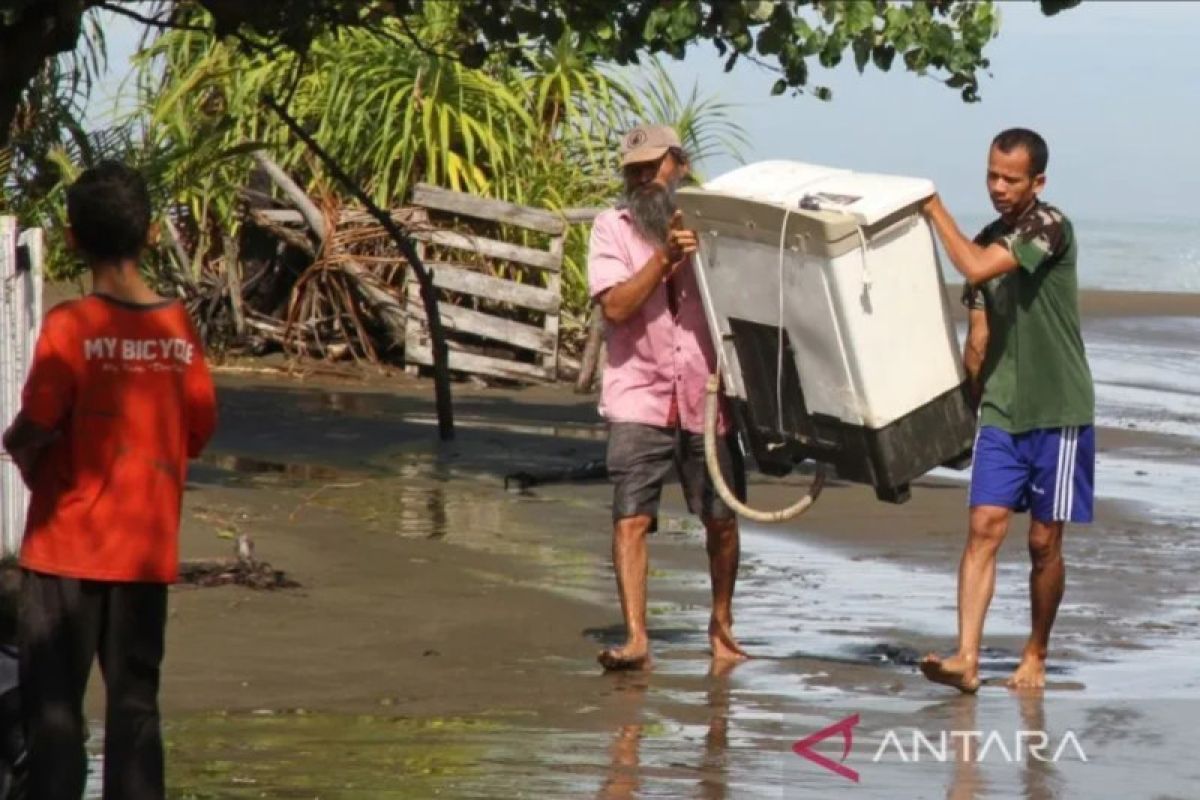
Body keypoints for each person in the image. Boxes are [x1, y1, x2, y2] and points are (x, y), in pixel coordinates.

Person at [1, 161, 218, 798]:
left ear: (71, 238)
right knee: (135, 709)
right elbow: (199, 428)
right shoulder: (178, 329)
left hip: (65, 550)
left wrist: (19, 447)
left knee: (55, 713)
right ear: (151, 233)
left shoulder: (71, 326)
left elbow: (37, 422)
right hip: (145, 556)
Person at [918, 128, 1095, 692]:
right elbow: (979, 331)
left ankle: (1036, 652)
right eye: (991, 174)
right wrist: (968, 401)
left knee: (1044, 542)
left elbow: (973, 269)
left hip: (1058, 408)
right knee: (983, 528)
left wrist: (932, 208)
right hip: (1000, 410)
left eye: (1010, 179)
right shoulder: (987, 236)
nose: (997, 186)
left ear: (1037, 181)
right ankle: (966, 657)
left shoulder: (1050, 227)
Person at [587, 124, 746, 671]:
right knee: (630, 518)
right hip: (638, 395)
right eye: (632, 170)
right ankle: (636, 637)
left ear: (678, 164)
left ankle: (721, 626)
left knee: (721, 520)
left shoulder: (717, 228)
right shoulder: (613, 227)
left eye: (651, 168)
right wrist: (663, 261)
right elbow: (615, 307)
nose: (641, 180)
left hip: (707, 398)